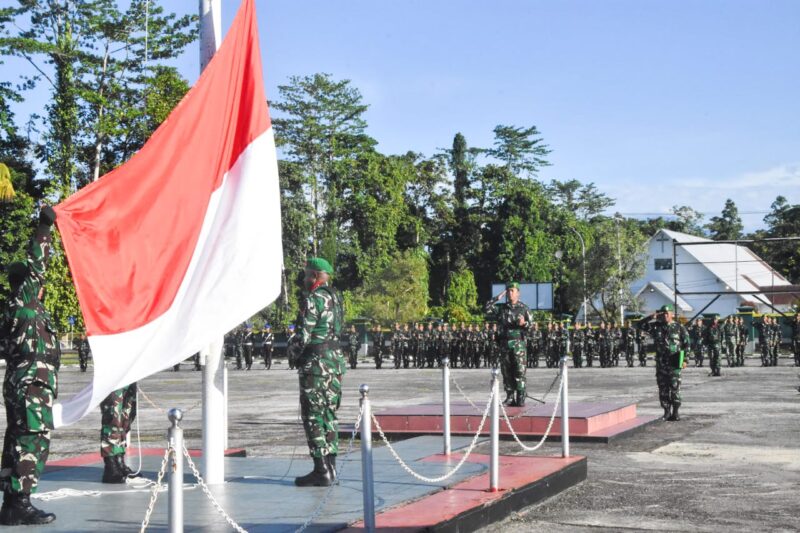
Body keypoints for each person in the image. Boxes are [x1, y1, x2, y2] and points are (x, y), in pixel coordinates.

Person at [0, 206, 59, 525]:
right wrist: (45, 227)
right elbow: (38, 265)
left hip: (22, 383)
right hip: (31, 385)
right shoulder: (24, 302)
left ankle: (12, 504)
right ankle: (20, 502)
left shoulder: (17, 309)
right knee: (32, 440)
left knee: (16, 439)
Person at [294, 258, 345, 487]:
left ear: (315, 276)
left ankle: (320, 469)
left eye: (307, 275)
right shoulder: (337, 298)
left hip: (315, 364)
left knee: (312, 415)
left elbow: (303, 335)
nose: (304, 279)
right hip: (335, 363)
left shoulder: (314, 298)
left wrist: (294, 354)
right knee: (329, 414)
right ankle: (331, 468)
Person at [484, 282, 532, 407]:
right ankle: (510, 396)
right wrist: (498, 297)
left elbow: (531, 326)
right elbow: (487, 308)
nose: (510, 293)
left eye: (512, 290)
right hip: (505, 344)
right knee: (506, 371)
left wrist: (524, 324)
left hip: (518, 345)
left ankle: (520, 396)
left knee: (519, 371)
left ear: (518, 293)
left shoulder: (524, 308)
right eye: (508, 291)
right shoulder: (502, 308)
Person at [639, 305, 688, 421]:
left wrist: (685, 360)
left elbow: (687, 344)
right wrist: (651, 317)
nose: (665, 315)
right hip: (661, 363)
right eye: (663, 313)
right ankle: (666, 412)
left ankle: (675, 412)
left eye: (667, 313)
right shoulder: (656, 327)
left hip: (675, 362)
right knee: (663, 389)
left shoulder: (679, 327)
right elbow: (639, 325)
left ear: (672, 314)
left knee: (675, 388)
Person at [100, 384, 140, 483]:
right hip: (113, 380)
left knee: (125, 418)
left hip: (128, 378)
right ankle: (110, 466)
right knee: (112, 417)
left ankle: (119, 462)